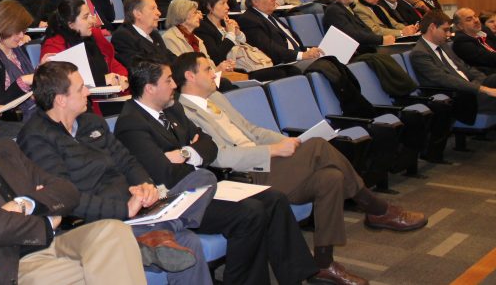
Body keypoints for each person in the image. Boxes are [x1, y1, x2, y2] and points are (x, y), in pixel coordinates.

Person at [174, 51, 428, 285]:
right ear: (190, 76)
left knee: (330, 178)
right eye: (207, 69)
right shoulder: (184, 112)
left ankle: (324, 264)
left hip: (268, 162)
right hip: (246, 174)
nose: (215, 73)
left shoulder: (216, 97)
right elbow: (220, 157)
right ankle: (376, 208)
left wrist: (286, 142)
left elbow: (252, 131)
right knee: (318, 146)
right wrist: (273, 151)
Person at [115, 58, 320, 285]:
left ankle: (296, 277)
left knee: (274, 198)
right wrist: (195, 153)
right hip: (174, 198)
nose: (174, 84)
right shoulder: (131, 124)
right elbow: (166, 175)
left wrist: (185, 153)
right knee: (250, 213)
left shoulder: (172, 109)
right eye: (168, 80)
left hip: (202, 184)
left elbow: (209, 145)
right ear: (150, 88)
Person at [0, 82, 147, 285]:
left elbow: (66, 191)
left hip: (56, 242)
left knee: (113, 231)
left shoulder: (6, 149)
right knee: (99, 268)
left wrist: (24, 204)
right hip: (11, 261)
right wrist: (48, 221)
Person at [18, 61, 217, 284]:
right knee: (188, 241)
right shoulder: (36, 138)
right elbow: (63, 197)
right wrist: (124, 209)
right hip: (98, 223)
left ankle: (158, 229)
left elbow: (127, 161)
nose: (88, 92)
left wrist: (145, 185)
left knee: (204, 178)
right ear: (61, 100)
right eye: (81, 88)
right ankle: (154, 232)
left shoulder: (91, 122)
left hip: (136, 210)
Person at [40, 0, 128, 112]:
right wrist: (101, 81)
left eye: (90, 15)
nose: (93, 20)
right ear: (71, 24)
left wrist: (122, 78)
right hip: (81, 107)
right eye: (86, 17)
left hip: (108, 98)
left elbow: (113, 63)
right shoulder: (54, 46)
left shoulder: (94, 37)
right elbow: (61, 85)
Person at [410, 10, 496, 123]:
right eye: (445, 30)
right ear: (432, 27)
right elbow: (445, 79)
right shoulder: (419, 53)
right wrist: (482, 89)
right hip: (459, 97)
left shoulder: (443, 45)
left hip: (471, 88)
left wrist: (481, 82)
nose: (449, 34)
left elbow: (466, 68)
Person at [237, 0, 324, 65]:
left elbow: (293, 43)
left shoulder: (270, 16)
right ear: (255, 1)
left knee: (326, 58)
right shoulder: (249, 20)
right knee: (323, 64)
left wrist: (309, 51)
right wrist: (302, 55)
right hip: (284, 64)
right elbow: (269, 49)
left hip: (295, 57)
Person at [322, 0, 395, 57]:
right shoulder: (334, 10)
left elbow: (366, 30)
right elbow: (353, 35)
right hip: (348, 55)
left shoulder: (347, 8)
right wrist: (381, 40)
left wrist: (381, 39)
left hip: (360, 51)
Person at [111, 0, 174, 70]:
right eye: (153, 8)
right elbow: (139, 69)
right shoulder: (123, 37)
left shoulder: (154, 35)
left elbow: (171, 58)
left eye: (157, 8)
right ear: (137, 13)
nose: (159, 13)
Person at [354, 0, 420, 38]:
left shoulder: (378, 7)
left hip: (392, 38)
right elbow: (375, 30)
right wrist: (401, 32)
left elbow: (394, 24)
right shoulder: (359, 10)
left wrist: (409, 29)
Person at [452, 8, 496, 74]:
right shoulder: (462, 42)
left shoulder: (485, 31)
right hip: (487, 74)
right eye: (469, 19)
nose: (476, 20)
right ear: (460, 26)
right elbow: (490, 59)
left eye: (475, 16)